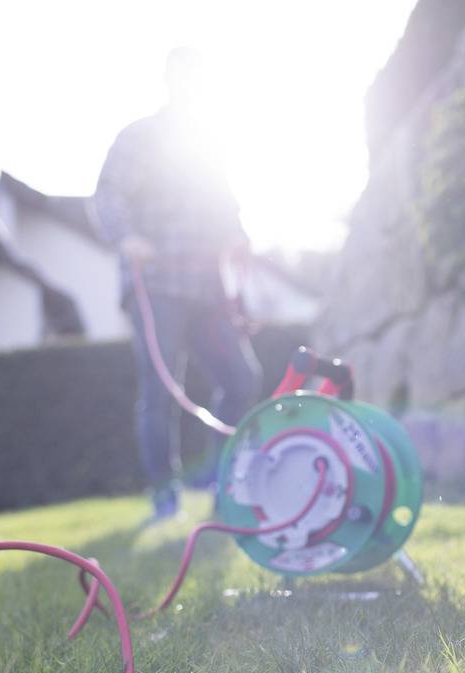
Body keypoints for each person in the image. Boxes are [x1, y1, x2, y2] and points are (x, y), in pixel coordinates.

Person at [93, 47, 260, 522]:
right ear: (171, 79)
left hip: (206, 286)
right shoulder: (140, 138)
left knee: (241, 378)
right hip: (155, 283)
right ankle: (165, 496)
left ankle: (221, 481)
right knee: (162, 388)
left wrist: (237, 234)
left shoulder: (210, 144)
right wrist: (126, 237)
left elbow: (226, 209)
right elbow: (108, 194)